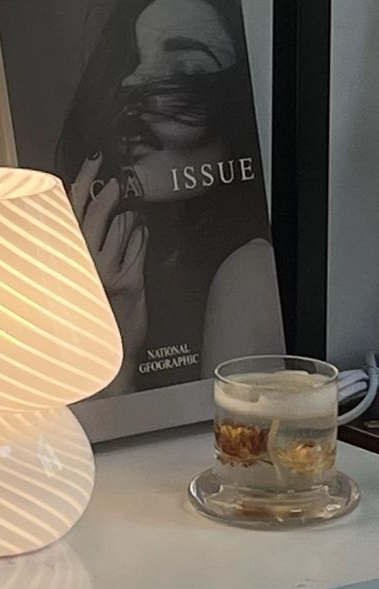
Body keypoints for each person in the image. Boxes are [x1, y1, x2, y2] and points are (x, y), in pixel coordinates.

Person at [57, 0, 283, 396]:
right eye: (133, 64)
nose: (132, 84)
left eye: (188, 72)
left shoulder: (251, 272)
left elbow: (225, 454)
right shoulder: (134, 259)